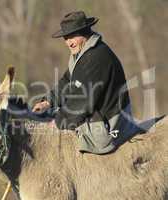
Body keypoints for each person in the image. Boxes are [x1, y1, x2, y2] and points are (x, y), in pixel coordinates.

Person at [32, 11, 134, 154]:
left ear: (85, 32)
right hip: (95, 111)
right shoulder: (82, 54)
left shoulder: (96, 58)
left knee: (56, 135)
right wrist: (48, 102)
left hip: (112, 122)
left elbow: (82, 101)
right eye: (66, 37)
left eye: (73, 36)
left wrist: (57, 122)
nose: (69, 42)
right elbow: (68, 81)